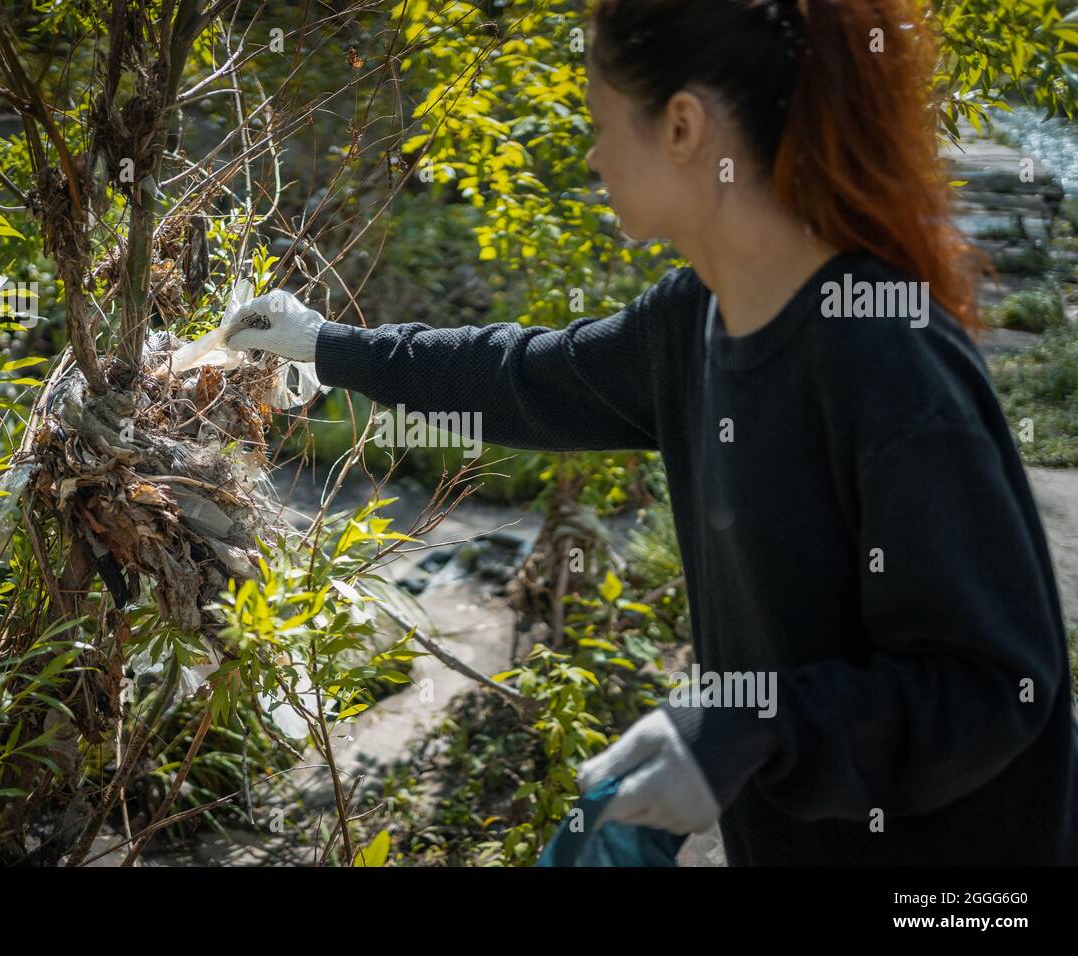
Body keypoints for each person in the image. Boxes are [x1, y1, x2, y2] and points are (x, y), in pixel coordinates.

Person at [219, 0, 1078, 865]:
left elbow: (992, 688)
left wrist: (745, 729)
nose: (592, 155)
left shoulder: (885, 358)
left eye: (600, 122)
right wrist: (324, 345)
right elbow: (521, 378)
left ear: (681, 127)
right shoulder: (698, 319)